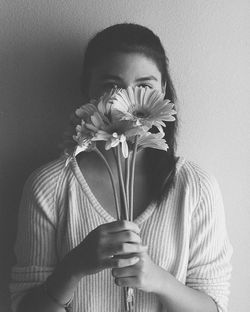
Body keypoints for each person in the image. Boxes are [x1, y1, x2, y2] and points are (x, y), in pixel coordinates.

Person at [10, 23, 233, 312]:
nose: (127, 102)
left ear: (162, 90)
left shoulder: (196, 187)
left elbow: (215, 306)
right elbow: (24, 306)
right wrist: (74, 267)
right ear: (87, 90)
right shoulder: (48, 187)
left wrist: (160, 281)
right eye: (110, 86)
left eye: (144, 86)